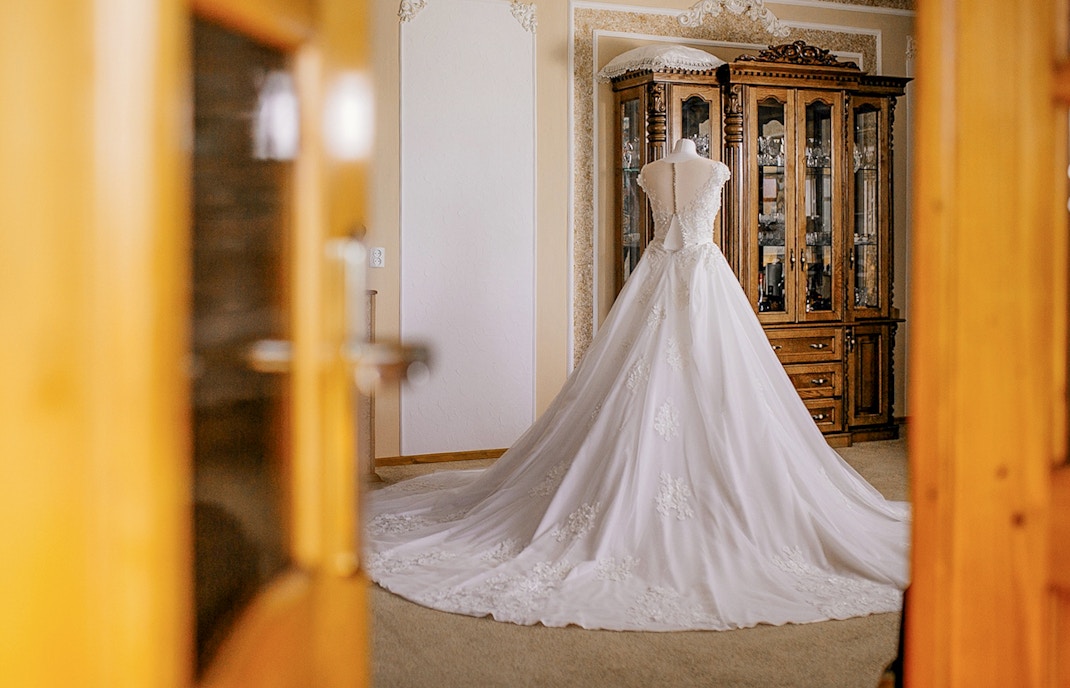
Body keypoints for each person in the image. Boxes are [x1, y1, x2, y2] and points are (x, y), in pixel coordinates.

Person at [363, 138, 909, 631]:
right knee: (644, 390)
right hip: (686, 275)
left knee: (711, 391)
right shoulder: (699, 170)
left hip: (674, 277)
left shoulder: (666, 171)